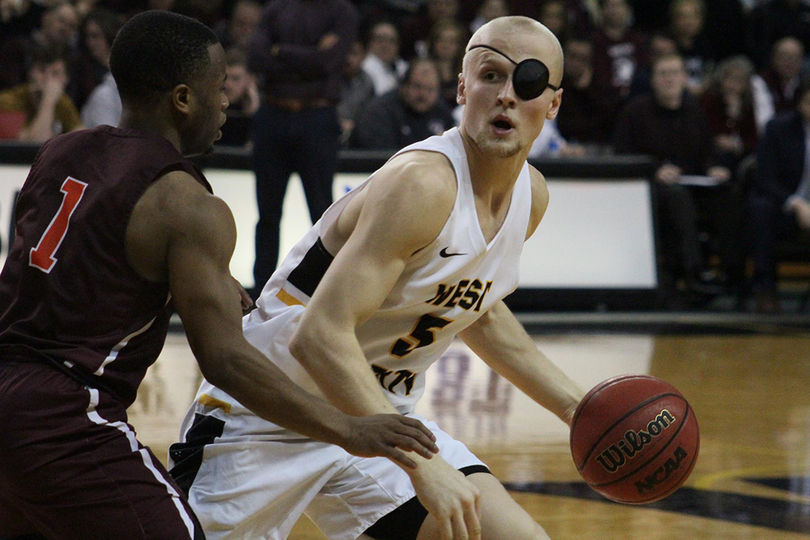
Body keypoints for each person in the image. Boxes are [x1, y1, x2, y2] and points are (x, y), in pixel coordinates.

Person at [0, 11, 439, 540]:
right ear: (183, 99)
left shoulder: (58, 150)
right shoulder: (189, 205)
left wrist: (191, 282)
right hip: (63, 417)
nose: (228, 99)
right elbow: (226, 360)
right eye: (220, 85)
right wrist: (350, 428)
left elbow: (75, 257)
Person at [170, 16, 585, 540]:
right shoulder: (424, 183)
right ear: (462, 87)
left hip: (378, 419)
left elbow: (468, 307)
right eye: (489, 76)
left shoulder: (531, 198)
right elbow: (318, 336)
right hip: (270, 414)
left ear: (552, 104)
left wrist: (577, 407)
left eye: (526, 83)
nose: (505, 95)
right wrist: (423, 467)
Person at [248, 0, 358, 296]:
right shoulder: (275, 7)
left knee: (322, 213)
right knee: (267, 213)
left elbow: (328, 62)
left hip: (317, 118)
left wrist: (281, 50)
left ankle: (325, 294)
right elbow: (256, 57)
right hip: (274, 114)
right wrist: (310, 56)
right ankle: (261, 294)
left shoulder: (340, 11)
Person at [614, 54, 744, 299]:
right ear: (652, 80)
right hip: (651, 190)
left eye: (675, 73)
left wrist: (713, 168)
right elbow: (623, 155)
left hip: (694, 183)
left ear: (685, 78)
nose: (669, 79)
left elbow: (706, 151)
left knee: (730, 195)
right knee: (678, 198)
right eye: (663, 74)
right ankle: (694, 273)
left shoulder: (695, 112)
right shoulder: (635, 111)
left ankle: (733, 275)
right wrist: (655, 170)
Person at [749, 80, 810, 313]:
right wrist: (797, 204)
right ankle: (765, 288)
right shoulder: (778, 128)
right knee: (760, 208)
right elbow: (764, 178)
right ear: (799, 104)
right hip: (786, 208)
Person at [351, 58, 456, 150]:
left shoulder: (442, 112)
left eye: (430, 89)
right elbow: (380, 157)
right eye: (417, 86)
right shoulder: (380, 112)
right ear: (404, 86)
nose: (422, 95)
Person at [0, 44, 83, 142]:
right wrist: (48, 101)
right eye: (42, 71)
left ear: (66, 79)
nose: (48, 79)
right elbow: (32, 147)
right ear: (31, 73)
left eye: (55, 73)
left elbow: (82, 142)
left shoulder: (63, 103)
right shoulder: (7, 101)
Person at [590, 0, 648, 100]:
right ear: (601, 10)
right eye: (609, 5)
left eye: (618, 5)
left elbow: (644, 69)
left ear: (628, 9)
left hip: (636, 97)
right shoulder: (594, 41)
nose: (614, 10)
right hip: (604, 100)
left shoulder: (638, 40)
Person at [361, 20, 408, 96]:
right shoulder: (363, 67)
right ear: (369, 42)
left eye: (391, 40)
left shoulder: (403, 67)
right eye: (380, 39)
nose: (385, 45)